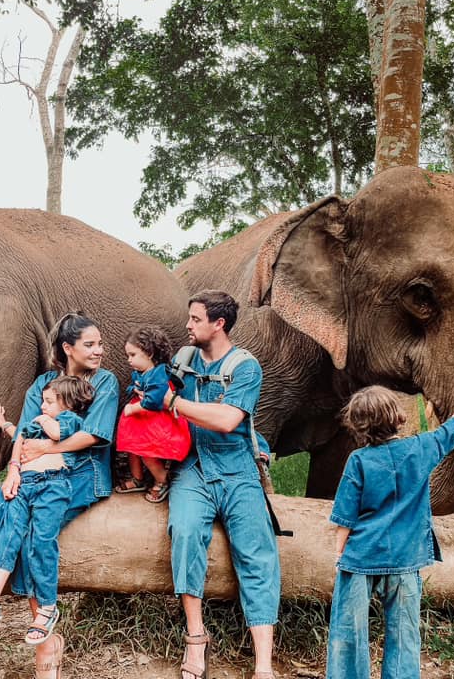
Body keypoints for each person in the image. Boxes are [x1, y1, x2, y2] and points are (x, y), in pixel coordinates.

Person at [0, 312, 119, 679]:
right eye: (90, 344)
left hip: (81, 473)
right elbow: (24, 436)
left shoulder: (104, 383)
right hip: (32, 472)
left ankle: (46, 643)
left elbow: (92, 435)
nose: (99, 351)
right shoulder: (42, 384)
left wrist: (46, 452)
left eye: (100, 344)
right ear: (67, 348)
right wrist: (12, 472)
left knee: (29, 534)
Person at [326, 377, 454, 679]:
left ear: (356, 426)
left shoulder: (358, 461)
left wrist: (339, 553)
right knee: (404, 635)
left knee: (348, 633)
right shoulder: (420, 448)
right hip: (406, 560)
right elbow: (450, 431)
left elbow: (345, 516)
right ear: (398, 418)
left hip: (361, 559)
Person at [163, 290, 281, 679]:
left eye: (196, 319)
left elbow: (228, 420)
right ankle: (196, 638)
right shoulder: (182, 360)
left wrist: (175, 405)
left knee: (257, 551)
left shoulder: (246, 367)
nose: (187, 325)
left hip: (237, 468)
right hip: (191, 468)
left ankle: (263, 661)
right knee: (184, 532)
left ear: (219, 324)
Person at [0, 375, 94, 643]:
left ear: (67, 403)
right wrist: (7, 430)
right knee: (8, 538)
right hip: (25, 485)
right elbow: (20, 438)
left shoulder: (69, 421)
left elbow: (55, 433)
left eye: (49, 402)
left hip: (52, 486)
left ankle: (47, 606)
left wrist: (41, 420)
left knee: (42, 540)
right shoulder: (40, 421)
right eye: (42, 401)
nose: (42, 406)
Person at [114, 325, 191, 503]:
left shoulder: (159, 375)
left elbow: (154, 402)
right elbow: (138, 386)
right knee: (132, 447)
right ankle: (137, 478)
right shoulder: (141, 372)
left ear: (149, 353)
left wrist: (133, 408)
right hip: (142, 421)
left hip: (156, 420)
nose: (128, 360)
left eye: (132, 355)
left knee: (147, 453)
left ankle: (162, 479)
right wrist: (134, 388)